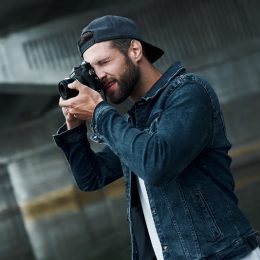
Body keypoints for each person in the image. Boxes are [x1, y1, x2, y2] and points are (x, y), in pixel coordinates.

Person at [53, 15, 260, 259]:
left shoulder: (189, 92)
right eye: (91, 69)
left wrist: (99, 112)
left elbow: (156, 165)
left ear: (135, 50)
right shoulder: (134, 123)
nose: (99, 76)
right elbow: (91, 177)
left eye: (105, 62)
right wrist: (75, 128)